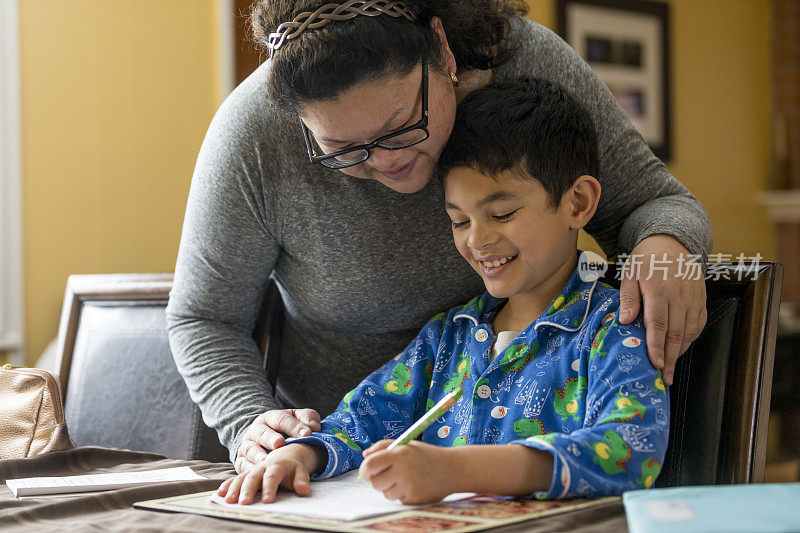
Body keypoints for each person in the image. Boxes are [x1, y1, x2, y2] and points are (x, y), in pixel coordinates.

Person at [166, 1, 708, 473]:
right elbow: (203, 317)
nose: (387, 161)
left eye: (402, 124)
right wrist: (257, 430)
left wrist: (664, 249)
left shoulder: (526, 67)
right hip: (340, 453)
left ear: (444, 53)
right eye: (343, 149)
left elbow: (655, 203)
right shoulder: (254, 133)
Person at [216, 77, 668, 505]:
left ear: (578, 202)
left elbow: (628, 448)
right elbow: (361, 419)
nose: (478, 240)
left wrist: (457, 471)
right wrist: (299, 455)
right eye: (459, 221)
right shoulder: (449, 336)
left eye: (503, 212)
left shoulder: (615, 327)